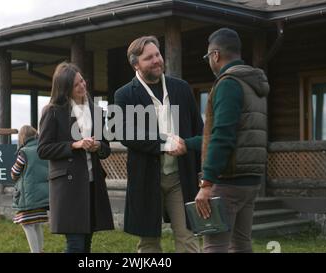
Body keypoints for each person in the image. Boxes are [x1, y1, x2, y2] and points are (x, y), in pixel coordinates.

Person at [114, 36, 203, 253]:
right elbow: (125, 133)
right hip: (146, 179)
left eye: (158, 54)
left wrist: (187, 145)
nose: (156, 60)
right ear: (136, 64)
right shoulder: (124, 95)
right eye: (148, 58)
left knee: (188, 238)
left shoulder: (181, 88)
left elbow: (200, 132)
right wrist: (165, 142)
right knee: (148, 244)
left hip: (180, 179)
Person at [195, 28, 270, 253]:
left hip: (228, 182)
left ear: (215, 55)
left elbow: (224, 136)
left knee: (215, 246)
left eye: (208, 56)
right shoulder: (253, 83)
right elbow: (237, 133)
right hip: (251, 181)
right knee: (241, 244)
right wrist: (187, 143)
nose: (209, 61)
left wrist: (206, 183)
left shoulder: (228, 84)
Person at [37, 62, 114, 253]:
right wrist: (74, 145)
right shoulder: (52, 111)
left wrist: (98, 146)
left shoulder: (96, 111)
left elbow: (106, 148)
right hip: (68, 188)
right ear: (65, 89)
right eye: (76, 84)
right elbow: (43, 149)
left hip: (92, 184)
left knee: (86, 244)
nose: (82, 86)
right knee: (76, 245)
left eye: (82, 81)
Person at [11, 125, 49, 253]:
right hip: (42, 195)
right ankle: (40, 250)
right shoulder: (42, 149)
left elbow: (14, 172)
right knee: (37, 223)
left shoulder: (24, 152)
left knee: (27, 224)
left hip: (28, 196)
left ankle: (35, 251)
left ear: (22, 137)